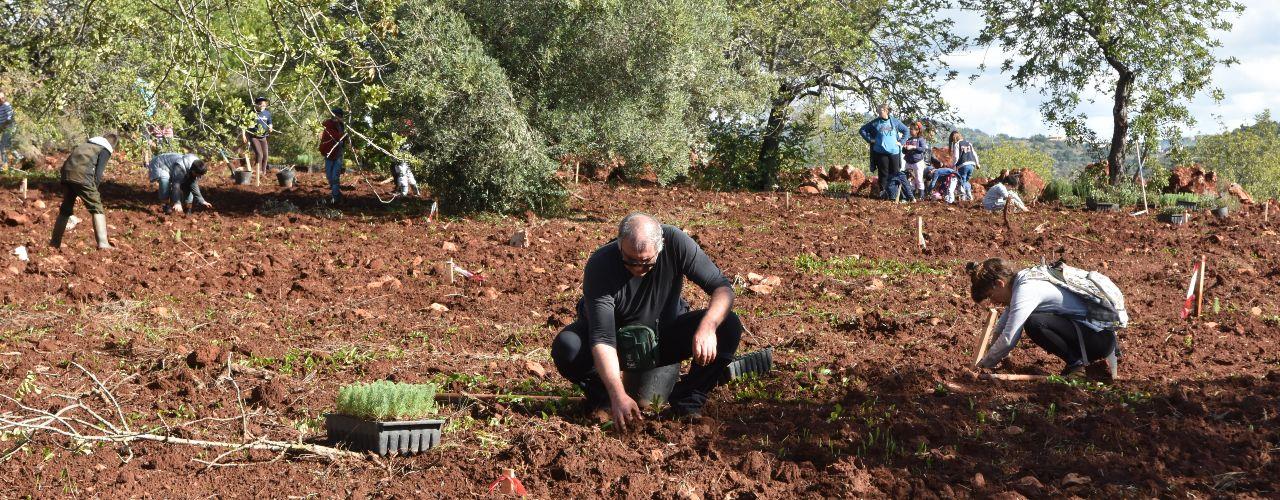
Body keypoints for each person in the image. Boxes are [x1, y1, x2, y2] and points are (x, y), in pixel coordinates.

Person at [550, 213, 742, 427]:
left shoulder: (676, 243)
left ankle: (687, 402)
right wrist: (617, 393)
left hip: (661, 339)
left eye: (647, 263)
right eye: (630, 262)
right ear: (619, 245)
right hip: (615, 344)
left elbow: (722, 288)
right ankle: (604, 399)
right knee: (568, 346)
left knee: (729, 325)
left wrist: (707, 327)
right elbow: (603, 338)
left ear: (660, 247)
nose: (638, 269)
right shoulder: (601, 265)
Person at [967, 258, 1126, 377]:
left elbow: (1009, 338)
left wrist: (983, 366)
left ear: (999, 284)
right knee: (1035, 320)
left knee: (1034, 322)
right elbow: (1002, 326)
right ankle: (1077, 363)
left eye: (990, 295)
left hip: (1099, 341)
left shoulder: (1026, 290)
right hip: (1096, 336)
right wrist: (990, 354)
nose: (993, 301)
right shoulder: (1023, 280)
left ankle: (1077, 366)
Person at [51, 134, 117, 250]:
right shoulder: (105, 148)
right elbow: (98, 173)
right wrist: (93, 191)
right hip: (82, 175)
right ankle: (103, 243)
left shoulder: (86, 144)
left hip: (66, 174)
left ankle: (54, 243)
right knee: (97, 207)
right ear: (113, 144)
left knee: (66, 208)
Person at [858, 104, 909, 199]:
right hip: (881, 152)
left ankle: (895, 195)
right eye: (878, 110)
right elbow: (862, 130)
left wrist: (901, 142)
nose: (879, 112)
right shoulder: (875, 123)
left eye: (880, 110)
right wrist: (870, 140)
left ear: (886, 111)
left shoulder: (894, 122)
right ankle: (884, 195)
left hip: (894, 152)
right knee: (883, 174)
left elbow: (906, 130)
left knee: (895, 174)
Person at [318, 108, 348, 203]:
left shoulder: (341, 126)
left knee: (335, 177)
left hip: (338, 154)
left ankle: (335, 197)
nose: (336, 117)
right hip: (328, 154)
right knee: (329, 176)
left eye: (338, 115)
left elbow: (342, 138)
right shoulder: (328, 124)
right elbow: (330, 136)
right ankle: (337, 194)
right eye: (335, 115)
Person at [242, 97, 274, 175]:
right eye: (260, 104)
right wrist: (243, 135)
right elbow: (244, 125)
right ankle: (258, 173)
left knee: (265, 155)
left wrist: (270, 127)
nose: (262, 106)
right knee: (259, 154)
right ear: (256, 105)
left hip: (263, 137)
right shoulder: (252, 113)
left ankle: (263, 173)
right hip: (254, 136)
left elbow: (270, 122)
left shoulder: (267, 113)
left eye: (264, 104)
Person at [949, 131, 981, 202]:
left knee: (961, 181)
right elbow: (974, 154)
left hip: (963, 165)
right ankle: (969, 196)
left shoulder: (957, 144)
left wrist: (953, 165)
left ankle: (963, 199)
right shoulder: (968, 143)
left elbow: (956, 157)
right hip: (972, 164)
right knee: (966, 181)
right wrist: (977, 163)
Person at [903, 122, 930, 196]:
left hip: (917, 162)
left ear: (917, 130)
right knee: (910, 180)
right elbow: (904, 152)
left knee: (918, 179)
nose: (911, 131)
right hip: (908, 162)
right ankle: (912, 196)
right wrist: (904, 147)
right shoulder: (908, 139)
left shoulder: (920, 139)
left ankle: (921, 196)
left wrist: (913, 147)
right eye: (910, 129)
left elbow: (923, 149)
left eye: (912, 129)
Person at [0, 92, 15, 171]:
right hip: (3, 127)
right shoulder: (1, 106)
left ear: (2, 98)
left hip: (9, 127)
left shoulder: (6, 105)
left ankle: (5, 165)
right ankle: (6, 163)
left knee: (2, 146)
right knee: (5, 145)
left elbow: (9, 119)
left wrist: (2, 127)